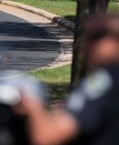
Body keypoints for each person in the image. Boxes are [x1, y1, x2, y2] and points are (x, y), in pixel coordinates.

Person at [17, 14, 119, 145]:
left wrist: (33, 108)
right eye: (86, 36)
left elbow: (47, 137)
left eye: (96, 36)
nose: (87, 44)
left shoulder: (103, 82)